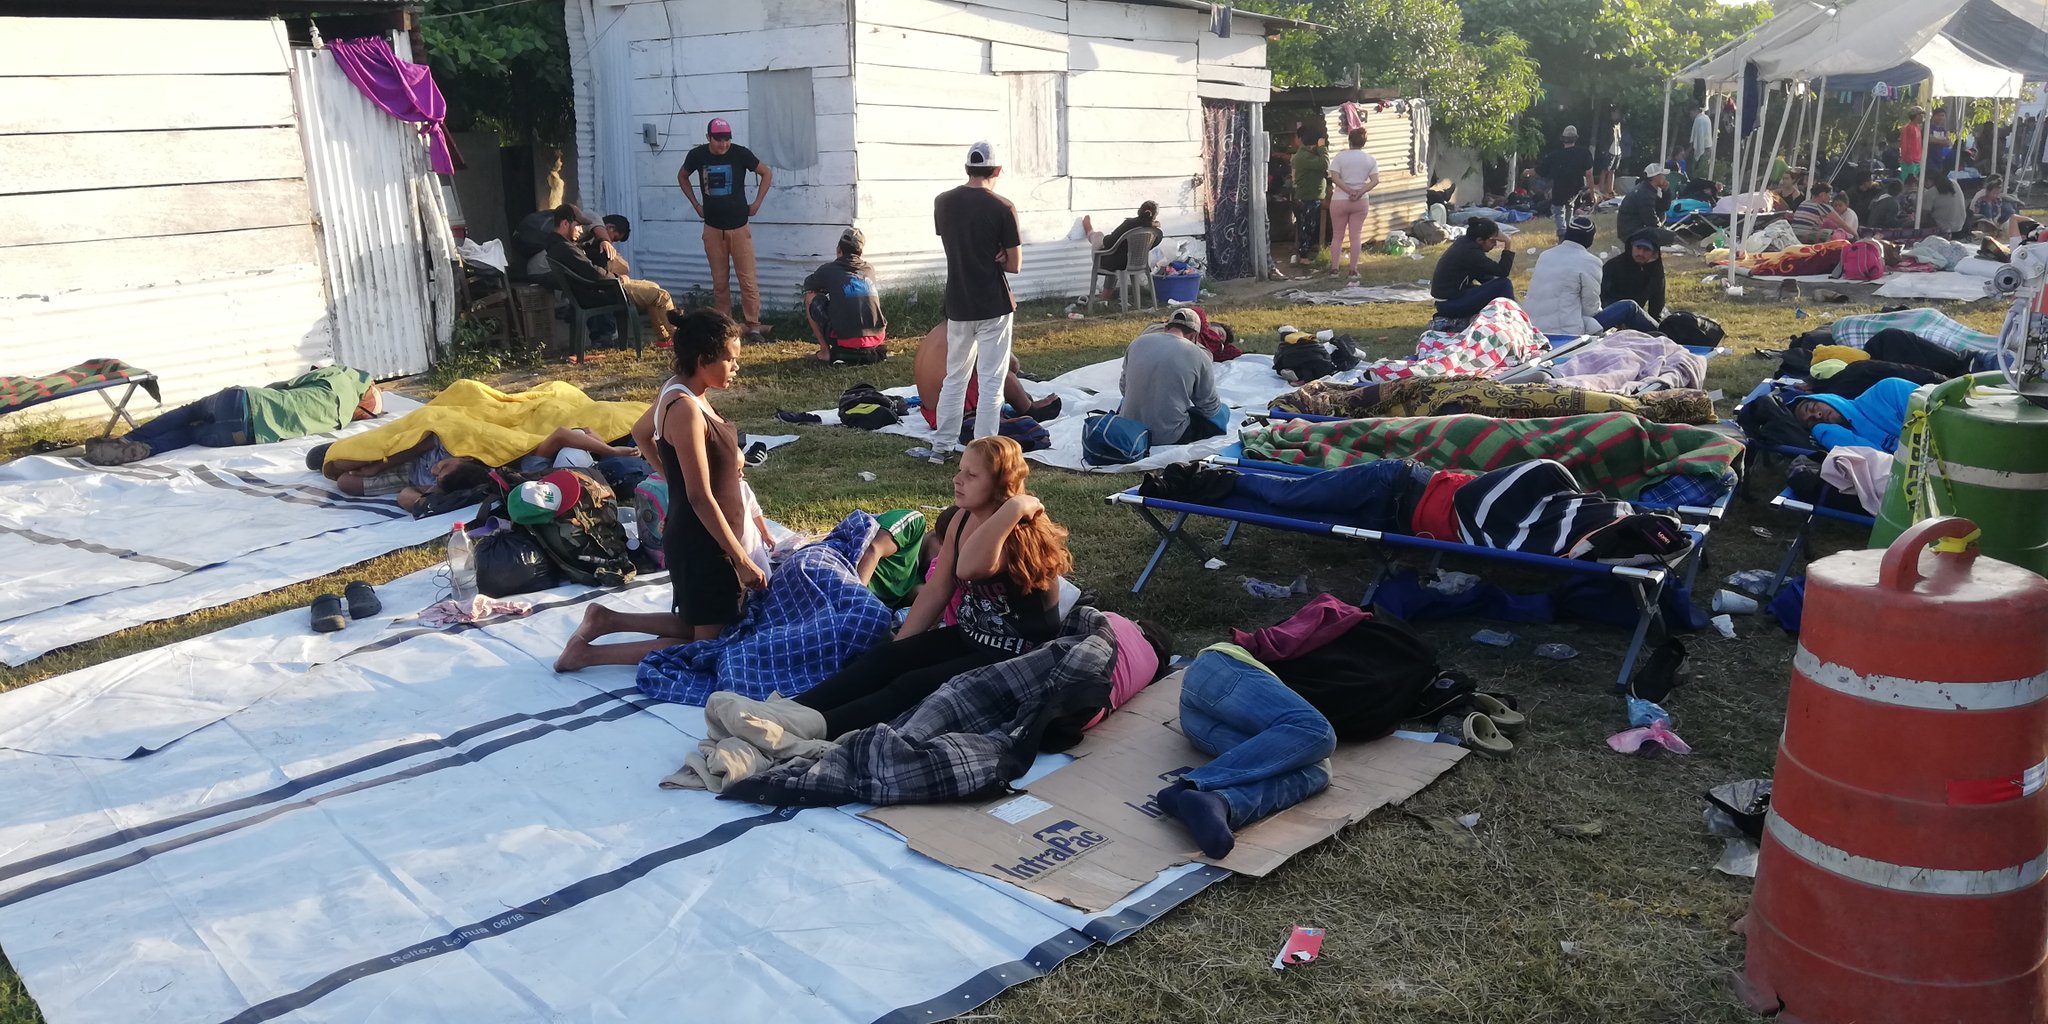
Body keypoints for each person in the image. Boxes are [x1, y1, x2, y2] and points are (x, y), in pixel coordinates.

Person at [791, 435, 1071, 736]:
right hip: (973, 637)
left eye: (971, 475)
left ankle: (810, 730)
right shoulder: (962, 519)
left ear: (1001, 484)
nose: (957, 479)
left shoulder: (1014, 530)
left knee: (915, 686)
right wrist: (900, 652)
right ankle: (789, 711)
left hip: (1019, 655)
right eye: (960, 470)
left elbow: (969, 568)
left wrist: (1013, 508)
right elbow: (938, 589)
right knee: (885, 658)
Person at [555, 310, 766, 670]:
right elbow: (700, 496)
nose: (736, 367)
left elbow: (641, 432)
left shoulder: (680, 389)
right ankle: (587, 655)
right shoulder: (685, 408)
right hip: (705, 544)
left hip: (698, 535)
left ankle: (607, 619)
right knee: (709, 648)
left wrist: (675, 481)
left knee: (701, 623)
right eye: (730, 359)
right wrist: (740, 559)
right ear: (703, 360)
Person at [1152, 644, 1339, 859]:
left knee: (1318, 770)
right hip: (1218, 672)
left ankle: (1220, 802)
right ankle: (1189, 784)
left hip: (1202, 724)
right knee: (1317, 730)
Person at [83, 365, 380, 466]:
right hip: (245, 435)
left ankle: (127, 439)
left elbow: (284, 386)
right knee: (190, 434)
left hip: (242, 401)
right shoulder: (339, 420)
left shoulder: (341, 376)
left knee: (187, 413)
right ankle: (147, 450)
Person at [932, 140, 1023, 461]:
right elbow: (1014, 264)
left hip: (958, 302)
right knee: (991, 381)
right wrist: (997, 253)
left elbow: (958, 243)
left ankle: (941, 446)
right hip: (993, 304)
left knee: (955, 377)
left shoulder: (943, 202)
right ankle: (984, 456)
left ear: (967, 168)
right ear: (996, 170)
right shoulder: (1002, 207)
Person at [679, 117, 773, 339]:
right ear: (708, 138)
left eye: (726, 139)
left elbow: (766, 173)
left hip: (739, 226)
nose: (723, 143)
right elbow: (682, 176)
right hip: (712, 227)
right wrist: (696, 205)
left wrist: (757, 203)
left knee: (747, 279)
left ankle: (753, 325)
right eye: (718, 139)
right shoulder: (697, 155)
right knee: (719, 281)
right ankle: (725, 325)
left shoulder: (741, 154)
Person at [911, 324, 1061, 438]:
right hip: (952, 412)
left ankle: (1022, 403)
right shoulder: (969, 331)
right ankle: (1028, 408)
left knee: (989, 370)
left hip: (932, 412)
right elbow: (1011, 364)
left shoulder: (939, 330)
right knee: (999, 373)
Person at [1524, 217, 1661, 336]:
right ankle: (1668, 335)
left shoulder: (1545, 255)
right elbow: (1591, 308)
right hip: (1567, 331)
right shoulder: (1590, 262)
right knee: (1629, 307)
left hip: (1534, 328)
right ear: (1590, 239)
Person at [1119, 307, 1227, 445]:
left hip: (1130, 430)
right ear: (1194, 336)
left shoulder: (1137, 343)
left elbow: (1123, 388)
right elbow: (1209, 407)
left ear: (1166, 328)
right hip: (1168, 435)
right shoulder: (1199, 355)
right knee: (1222, 413)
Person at [573, 213, 678, 347]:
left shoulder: (590, 242)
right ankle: (678, 337)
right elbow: (617, 269)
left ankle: (665, 339)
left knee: (654, 287)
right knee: (661, 295)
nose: (612, 243)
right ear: (610, 228)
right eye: (614, 238)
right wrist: (617, 276)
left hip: (608, 284)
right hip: (610, 287)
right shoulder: (592, 239)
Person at [802, 226, 888, 365]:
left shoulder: (829, 270)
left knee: (810, 297)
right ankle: (869, 345)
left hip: (846, 339)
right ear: (860, 252)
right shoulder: (869, 269)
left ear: (838, 250)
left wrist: (826, 288)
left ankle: (825, 352)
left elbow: (808, 285)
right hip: (877, 336)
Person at [1791, 376, 1920, 452]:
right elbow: (1881, 462)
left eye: (1813, 407)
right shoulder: (1848, 440)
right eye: (1812, 421)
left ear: (1826, 398)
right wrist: (1822, 431)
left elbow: (1934, 412)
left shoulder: (1886, 391)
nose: (1817, 415)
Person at [1427, 216, 1515, 320]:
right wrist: (1508, 244)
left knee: (1498, 285)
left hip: (1449, 300)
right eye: (1492, 241)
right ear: (1480, 240)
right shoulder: (1471, 253)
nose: (1495, 244)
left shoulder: (1465, 244)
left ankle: (1508, 316)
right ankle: (1512, 320)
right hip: (1450, 304)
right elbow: (1503, 272)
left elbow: (1486, 278)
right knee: (1504, 284)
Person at [1326, 127, 1381, 285]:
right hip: (1360, 201)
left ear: (1349, 140)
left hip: (1339, 199)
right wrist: (1359, 191)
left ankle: (1334, 269)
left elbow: (1334, 177)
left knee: (1337, 235)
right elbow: (1375, 180)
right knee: (1355, 235)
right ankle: (1353, 269)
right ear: (1364, 142)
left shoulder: (1340, 157)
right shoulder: (1370, 159)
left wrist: (1348, 190)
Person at [1086, 201, 1162, 295]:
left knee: (1098, 236)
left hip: (1113, 263)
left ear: (1141, 211)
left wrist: (1107, 238)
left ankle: (1089, 231)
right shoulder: (1156, 232)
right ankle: (1104, 298)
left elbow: (1108, 242)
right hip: (1136, 263)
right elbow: (1151, 245)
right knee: (1116, 252)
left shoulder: (1128, 224)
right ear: (1154, 216)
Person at [1535, 125, 1594, 236]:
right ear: (1576, 138)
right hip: (1577, 188)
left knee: (1558, 209)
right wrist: (1591, 193)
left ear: (1563, 140)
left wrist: (1528, 171)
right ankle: (1569, 229)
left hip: (1560, 188)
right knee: (1570, 206)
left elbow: (1540, 170)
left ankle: (1562, 231)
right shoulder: (1584, 153)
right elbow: (1589, 174)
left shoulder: (1555, 155)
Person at [1601, 231, 1668, 321]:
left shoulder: (1655, 268)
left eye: (1646, 250)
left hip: (1635, 315)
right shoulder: (1614, 266)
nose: (1640, 253)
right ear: (1631, 247)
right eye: (1638, 247)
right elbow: (1602, 296)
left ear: (1654, 252)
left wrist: (1655, 321)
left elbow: (1657, 299)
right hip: (1610, 314)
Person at [1289, 127, 1329, 267]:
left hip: (1309, 196)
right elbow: (1324, 164)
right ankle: (1304, 257)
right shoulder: (1304, 156)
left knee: (1308, 226)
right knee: (1306, 227)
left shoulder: (1306, 155)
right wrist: (1322, 148)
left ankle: (1305, 253)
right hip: (1307, 197)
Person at [1616, 163, 1677, 246]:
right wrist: (1661, 230)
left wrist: (1666, 191)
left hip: (1633, 228)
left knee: (1663, 217)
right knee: (1671, 236)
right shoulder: (1645, 193)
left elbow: (1663, 207)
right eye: (1662, 175)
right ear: (1656, 177)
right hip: (1630, 232)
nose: (1665, 177)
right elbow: (1650, 219)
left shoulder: (1647, 189)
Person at [1595, 106, 1624, 198]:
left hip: (1617, 150)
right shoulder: (1607, 125)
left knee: (1613, 170)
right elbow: (1603, 138)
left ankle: (1610, 190)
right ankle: (1601, 189)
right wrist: (1604, 149)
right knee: (1605, 170)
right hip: (1609, 150)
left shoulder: (1619, 124)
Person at [1688, 102, 1714, 180]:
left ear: (1695, 111)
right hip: (1708, 148)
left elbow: (1697, 139)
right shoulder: (1706, 118)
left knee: (1697, 173)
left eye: (1691, 113)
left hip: (1702, 149)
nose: (1690, 115)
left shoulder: (1699, 120)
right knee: (1705, 172)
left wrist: (1690, 151)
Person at [1901, 107, 1927, 180]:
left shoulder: (1918, 128)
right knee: (1909, 182)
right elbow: (1905, 144)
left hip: (1917, 160)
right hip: (1909, 161)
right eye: (1921, 115)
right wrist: (1909, 159)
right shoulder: (1908, 128)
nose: (1923, 117)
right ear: (1916, 116)